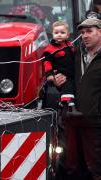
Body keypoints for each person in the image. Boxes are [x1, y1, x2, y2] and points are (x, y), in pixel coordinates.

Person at [64, 18, 101, 180]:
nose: (85, 36)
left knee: (97, 167)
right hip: (73, 120)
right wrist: (58, 79)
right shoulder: (77, 53)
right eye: (82, 33)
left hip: (95, 122)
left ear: (100, 32)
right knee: (72, 166)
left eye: (90, 31)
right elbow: (70, 79)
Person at [43, 20, 79, 113]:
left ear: (67, 35)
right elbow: (47, 63)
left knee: (73, 88)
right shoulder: (50, 49)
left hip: (71, 73)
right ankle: (70, 107)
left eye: (62, 33)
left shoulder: (69, 45)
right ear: (52, 34)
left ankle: (63, 103)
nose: (59, 35)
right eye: (56, 32)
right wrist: (50, 76)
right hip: (61, 75)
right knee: (67, 87)